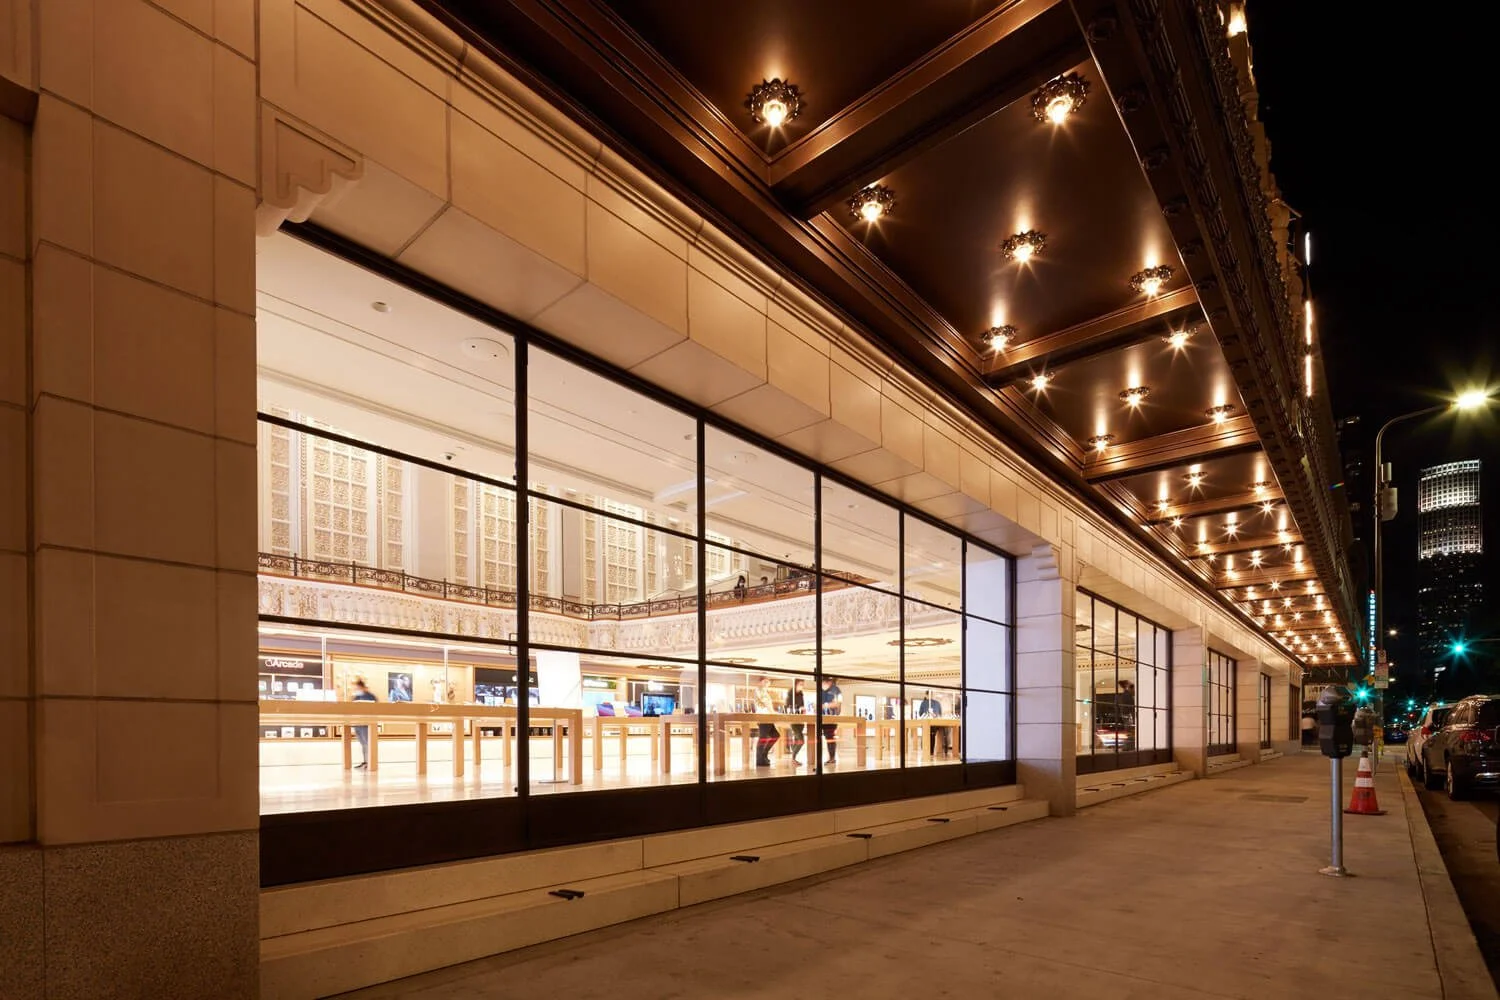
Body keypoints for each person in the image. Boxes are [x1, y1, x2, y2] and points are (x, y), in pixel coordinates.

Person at [752, 676, 780, 767]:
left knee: (775, 735)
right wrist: (772, 712)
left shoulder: (764, 691)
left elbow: (768, 704)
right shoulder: (759, 690)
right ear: (760, 682)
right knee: (762, 738)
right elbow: (766, 704)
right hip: (764, 717)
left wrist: (772, 712)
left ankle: (763, 755)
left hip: (768, 716)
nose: (767, 683)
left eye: (768, 682)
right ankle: (760, 759)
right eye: (765, 681)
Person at [351, 677, 378, 769]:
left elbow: (374, 708)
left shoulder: (370, 696)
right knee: (363, 744)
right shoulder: (356, 697)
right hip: (357, 723)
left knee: (368, 743)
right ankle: (365, 761)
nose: (356, 690)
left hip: (366, 724)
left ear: (362, 687)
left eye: (357, 688)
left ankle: (370, 761)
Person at [917, 689, 951, 757]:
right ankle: (931, 751)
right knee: (932, 734)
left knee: (934, 734)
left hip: (934, 723)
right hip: (932, 723)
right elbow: (921, 714)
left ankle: (934, 751)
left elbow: (921, 714)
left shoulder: (931, 703)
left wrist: (934, 715)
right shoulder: (926, 703)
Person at [784, 678, 808, 766]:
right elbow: (787, 706)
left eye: (803, 684)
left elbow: (802, 704)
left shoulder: (801, 694)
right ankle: (793, 758)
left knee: (798, 739)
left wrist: (803, 709)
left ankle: (793, 759)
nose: (802, 686)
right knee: (801, 740)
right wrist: (798, 708)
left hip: (800, 719)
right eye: (801, 684)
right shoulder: (790, 694)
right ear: (796, 684)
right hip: (793, 719)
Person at [819, 675, 842, 765]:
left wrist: (826, 705)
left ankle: (832, 757)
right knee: (826, 737)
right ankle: (830, 757)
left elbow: (837, 704)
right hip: (822, 718)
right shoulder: (821, 691)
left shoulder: (836, 690)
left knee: (830, 737)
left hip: (832, 718)